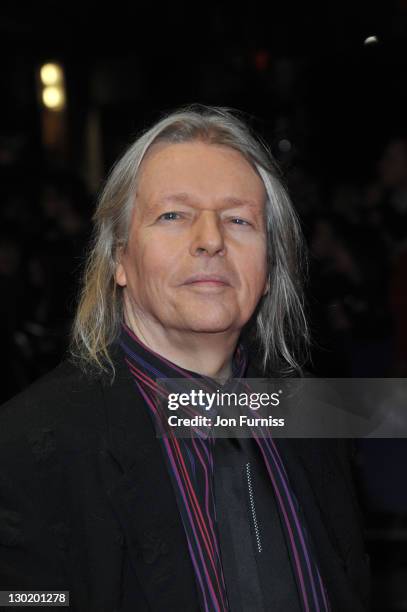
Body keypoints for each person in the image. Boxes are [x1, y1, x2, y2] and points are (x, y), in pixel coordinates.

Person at [0, 106, 370, 611]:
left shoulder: (314, 417)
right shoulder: (27, 445)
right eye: (173, 215)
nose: (212, 240)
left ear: (269, 265)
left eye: (239, 219)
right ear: (119, 259)